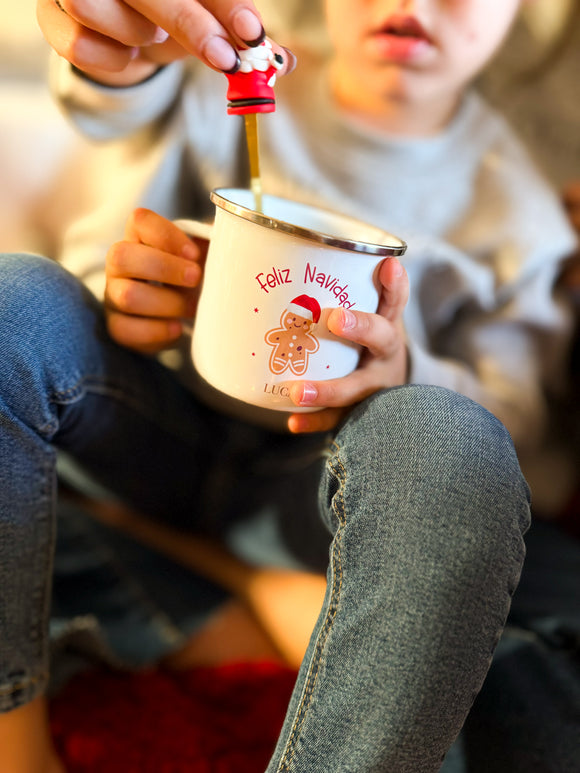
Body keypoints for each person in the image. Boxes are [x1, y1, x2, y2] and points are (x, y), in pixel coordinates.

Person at [1, 0, 576, 771]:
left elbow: (520, 429)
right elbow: (106, 87)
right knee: (17, 302)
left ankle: (205, 585)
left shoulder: (524, 216)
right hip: (148, 431)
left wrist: (402, 377)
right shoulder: (223, 84)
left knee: (451, 443)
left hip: (323, 505)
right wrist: (127, 296)